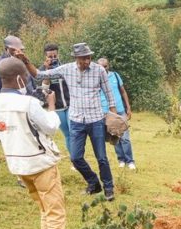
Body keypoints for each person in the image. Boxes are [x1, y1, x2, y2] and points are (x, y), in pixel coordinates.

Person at [0, 58, 78, 229]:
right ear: (20, 78)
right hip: (40, 163)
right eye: (26, 77)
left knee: (44, 210)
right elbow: (50, 127)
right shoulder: (28, 103)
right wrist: (52, 106)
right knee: (55, 212)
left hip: (18, 164)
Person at [19, 43, 118, 201]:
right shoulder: (67, 69)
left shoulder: (99, 70)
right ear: (76, 58)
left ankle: (108, 188)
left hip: (96, 120)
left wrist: (114, 117)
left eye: (89, 57)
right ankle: (94, 183)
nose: (87, 61)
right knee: (76, 157)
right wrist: (26, 61)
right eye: (83, 58)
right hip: (77, 121)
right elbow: (38, 75)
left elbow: (109, 93)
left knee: (101, 157)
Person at [97, 57, 135, 170]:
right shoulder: (96, 79)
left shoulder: (115, 76)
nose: (104, 68)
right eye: (101, 67)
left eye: (105, 66)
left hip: (120, 110)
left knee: (125, 137)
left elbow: (123, 91)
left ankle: (130, 161)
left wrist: (128, 107)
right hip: (107, 113)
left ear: (108, 65)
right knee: (115, 137)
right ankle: (121, 160)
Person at [39, 43, 71, 158]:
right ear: (45, 56)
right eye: (50, 56)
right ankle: (74, 159)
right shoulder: (42, 70)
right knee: (68, 134)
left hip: (70, 104)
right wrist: (48, 71)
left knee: (74, 132)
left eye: (55, 56)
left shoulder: (65, 66)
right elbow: (44, 88)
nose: (53, 58)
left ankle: (78, 157)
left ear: (58, 54)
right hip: (58, 107)